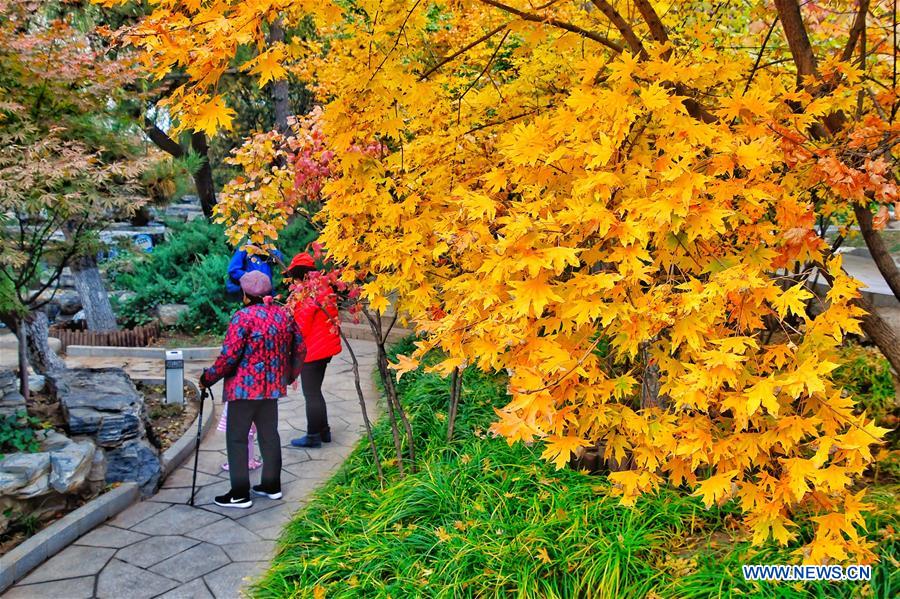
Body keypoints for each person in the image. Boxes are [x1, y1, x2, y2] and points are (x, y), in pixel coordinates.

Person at [199, 270, 305, 508]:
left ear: (246, 294)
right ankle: (271, 485)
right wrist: (288, 376)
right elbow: (300, 349)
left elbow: (229, 357)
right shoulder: (283, 315)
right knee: (269, 436)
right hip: (271, 390)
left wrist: (208, 378)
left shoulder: (243, 317)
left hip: (244, 391)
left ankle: (239, 494)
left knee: (236, 439)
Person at [283, 252, 342, 449]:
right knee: (315, 391)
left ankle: (313, 436)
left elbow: (301, 324)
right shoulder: (323, 286)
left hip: (313, 350)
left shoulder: (310, 292)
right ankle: (324, 431)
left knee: (311, 394)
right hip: (323, 349)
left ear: (300, 274)